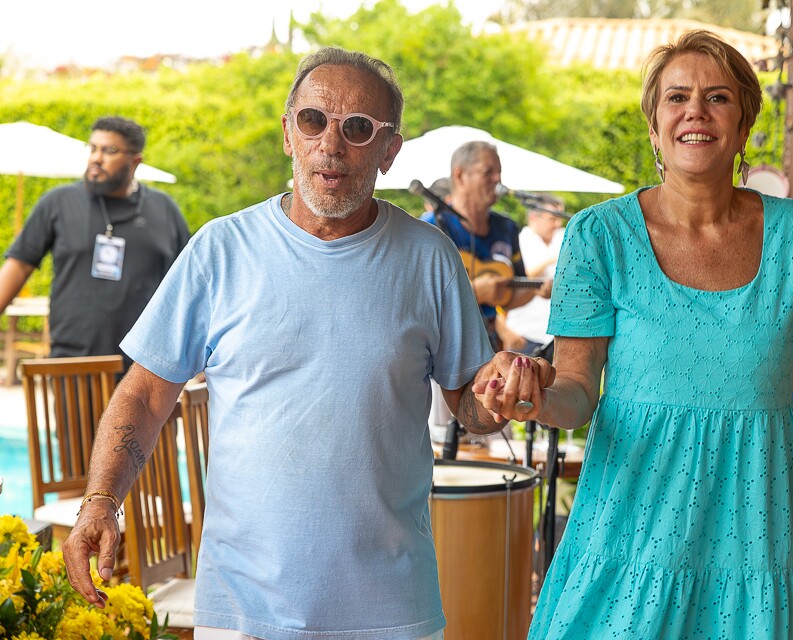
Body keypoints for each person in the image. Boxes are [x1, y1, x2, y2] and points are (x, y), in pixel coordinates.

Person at [61, 47, 552, 640]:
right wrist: (100, 502)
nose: (332, 144)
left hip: (391, 611)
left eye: (359, 128)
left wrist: (501, 392)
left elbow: (469, 406)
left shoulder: (429, 258)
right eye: (314, 120)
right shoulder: (221, 251)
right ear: (288, 133)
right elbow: (143, 396)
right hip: (245, 611)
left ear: (390, 151)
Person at [473, 30, 793, 639]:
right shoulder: (598, 237)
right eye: (676, 97)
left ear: (743, 129)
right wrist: (532, 399)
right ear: (655, 125)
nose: (695, 111)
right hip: (633, 513)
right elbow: (578, 387)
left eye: (717, 97)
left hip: (757, 517)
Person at [0, 116, 189, 371]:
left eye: (109, 150)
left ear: (135, 161)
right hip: (74, 361)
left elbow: (187, 285)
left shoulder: (164, 210)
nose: (96, 158)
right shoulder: (58, 203)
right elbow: (19, 266)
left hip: (145, 367)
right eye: (93, 148)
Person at [420, 141, 550, 349]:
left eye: (499, 172)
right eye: (488, 172)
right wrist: (474, 292)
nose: (497, 179)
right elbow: (418, 300)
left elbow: (511, 291)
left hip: (489, 343)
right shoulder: (430, 227)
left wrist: (536, 289)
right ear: (460, 175)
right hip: (442, 345)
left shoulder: (507, 227)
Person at [498, 194, 566, 356]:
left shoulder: (563, 236)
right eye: (553, 218)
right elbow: (520, 278)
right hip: (525, 331)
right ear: (534, 217)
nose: (558, 224)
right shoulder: (521, 241)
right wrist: (550, 259)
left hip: (557, 333)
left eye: (560, 218)